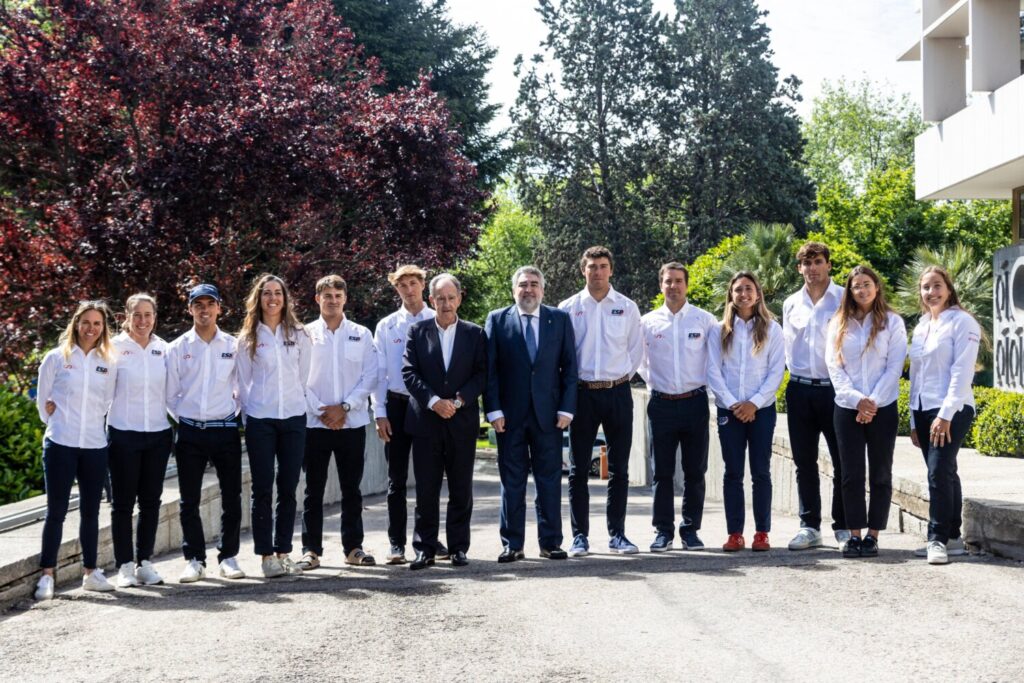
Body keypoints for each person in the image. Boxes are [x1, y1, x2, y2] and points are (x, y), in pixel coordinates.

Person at [484, 266, 577, 562]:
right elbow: (490, 371)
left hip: (549, 416)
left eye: (534, 284)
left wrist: (566, 408)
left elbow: (570, 368)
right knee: (512, 482)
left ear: (542, 290)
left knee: (549, 480)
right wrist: (493, 409)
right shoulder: (497, 320)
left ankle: (550, 542)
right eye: (523, 285)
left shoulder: (559, 319)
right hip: (508, 417)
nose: (528, 290)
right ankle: (513, 543)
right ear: (514, 290)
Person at [558, 246, 643, 557]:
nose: (597, 271)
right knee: (578, 469)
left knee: (619, 469)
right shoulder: (567, 307)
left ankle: (618, 535)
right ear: (583, 270)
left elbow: (636, 351)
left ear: (611, 270)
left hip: (618, 392)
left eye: (603, 266)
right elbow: (563, 355)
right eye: (591, 266)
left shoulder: (627, 306)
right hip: (581, 394)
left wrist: (617, 378)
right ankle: (579, 537)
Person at [34, 301, 118, 600]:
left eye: (97, 323)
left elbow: (106, 402)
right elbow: (43, 403)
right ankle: (47, 575)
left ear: (103, 328)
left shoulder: (107, 362)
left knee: (91, 512)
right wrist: (58, 421)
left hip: (94, 445)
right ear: (75, 323)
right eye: (86, 322)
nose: (91, 328)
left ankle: (91, 572)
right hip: (60, 444)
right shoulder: (56, 358)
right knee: (56, 511)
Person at [402, 274, 487, 570]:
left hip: (461, 421)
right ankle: (424, 548)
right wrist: (434, 402)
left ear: (460, 299)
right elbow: (409, 372)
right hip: (426, 421)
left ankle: (458, 548)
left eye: (451, 298)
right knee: (426, 489)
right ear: (431, 300)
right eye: (441, 298)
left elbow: (482, 374)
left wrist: (459, 401)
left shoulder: (475, 334)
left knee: (461, 488)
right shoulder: (417, 331)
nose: (446, 304)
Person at [166, 284, 246, 583]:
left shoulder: (233, 345)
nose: (204, 309)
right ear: (190, 309)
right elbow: (170, 394)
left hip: (225, 429)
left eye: (209, 304)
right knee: (189, 500)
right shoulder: (178, 348)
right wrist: (189, 418)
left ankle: (228, 556)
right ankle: (195, 559)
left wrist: (227, 413)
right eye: (197, 304)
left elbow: (242, 387)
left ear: (218, 308)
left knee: (232, 497)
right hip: (190, 432)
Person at [825, 267, 907, 558]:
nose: (862, 290)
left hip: (882, 408)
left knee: (881, 473)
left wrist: (871, 403)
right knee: (850, 474)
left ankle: (873, 535)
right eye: (856, 286)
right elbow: (835, 368)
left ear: (877, 286)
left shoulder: (892, 323)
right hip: (847, 408)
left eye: (867, 284)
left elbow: (894, 367)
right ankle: (854, 534)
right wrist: (857, 400)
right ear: (849, 290)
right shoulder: (838, 322)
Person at [298, 275, 378, 570]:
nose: (332, 300)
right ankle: (311, 550)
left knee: (351, 489)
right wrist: (321, 409)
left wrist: (344, 407)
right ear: (317, 299)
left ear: (345, 299)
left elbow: (371, 375)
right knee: (313, 490)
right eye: (327, 295)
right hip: (314, 424)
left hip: (351, 422)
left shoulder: (361, 334)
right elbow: (298, 376)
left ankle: (353, 547)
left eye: (338, 295)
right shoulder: (304, 335)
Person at [236, 274, 312, 578]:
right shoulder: (248, 338)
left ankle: (284, 552)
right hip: (261, 420)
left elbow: (303, 376)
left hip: (293, 417)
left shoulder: (300, 334)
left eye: (278, 293)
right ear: (259, 299)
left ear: (285, 297)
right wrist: (250, 416)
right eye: (266, 293)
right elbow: (242, 383)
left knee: (289, 487)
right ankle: (266, 556)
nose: (272, 298)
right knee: (262, 488)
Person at [371, 265, 447, 565]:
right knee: (396, 480)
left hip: (427, 406)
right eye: (402, 285)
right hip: (396, 405)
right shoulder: (387, 325)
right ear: (396, 289)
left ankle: (428, 540)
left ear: (423, 285)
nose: (408, 289)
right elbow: (377, 373)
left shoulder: (436, 318)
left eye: (413, 283)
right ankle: (396, 544)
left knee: (429, 479)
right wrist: (379, 412)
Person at [638, 263, 717, 552]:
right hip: (661, 405)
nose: (673, 286)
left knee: (695, 471)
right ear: (661, 285)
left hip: (695, 403)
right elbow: (640, 361)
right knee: (662, 472)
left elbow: (714, 360)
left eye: (679, 281)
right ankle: (663, 532)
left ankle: (690, 530)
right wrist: (655, 385)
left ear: (687, 285)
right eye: (668, 281)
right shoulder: (647, 322)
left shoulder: (705, 320)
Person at [707, 272, 785, 552]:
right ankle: (735, 533)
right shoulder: (719, 330)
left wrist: (754, 403)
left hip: (761, 411)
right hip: (730, 411)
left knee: (761, 472)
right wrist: (733, 404)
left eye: (748, 289)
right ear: (731, 295)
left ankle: (762, 532)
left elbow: (776, 371)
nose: (743, 294)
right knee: (733, 473)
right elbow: (713, 371)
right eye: (738, 289)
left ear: (758, 294)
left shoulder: (772, 329)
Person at [909, 266, 981, 565]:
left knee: (937, 472)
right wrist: (913, 420)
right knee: (945, 470)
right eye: (926, 287)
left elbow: (962, 372)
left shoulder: (963, 323)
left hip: (953, 407)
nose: (931, 292)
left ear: (948, 289)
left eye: (937, 286)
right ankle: (953, 537)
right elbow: (915, 374)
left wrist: (946, 414)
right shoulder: (922, 325)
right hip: (923, 408)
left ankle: (936, 538)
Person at [782, 242, 850, 552]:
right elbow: (787, 348)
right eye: (806, 263)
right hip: (799, 390)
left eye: (818, 261)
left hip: (834, 389)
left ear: (829, 265)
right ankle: (809, 527)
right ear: (799, 268)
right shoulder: (791, 303)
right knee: (804, 462)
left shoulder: (843, 299)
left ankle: (843, 526)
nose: (812, 268)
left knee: (842, 461)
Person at [109, 293, 173, 587]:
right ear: (127, 315)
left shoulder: (164, 349)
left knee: (151, 502)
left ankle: (145, 562)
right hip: (123, 434)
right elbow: (99, 389)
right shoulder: (114, 348)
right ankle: (124, 566)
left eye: (148, 315)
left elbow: (175, 392)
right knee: (122, 504)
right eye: (137, 315)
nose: (143, 321)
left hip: (158, 435)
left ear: (155, 317)